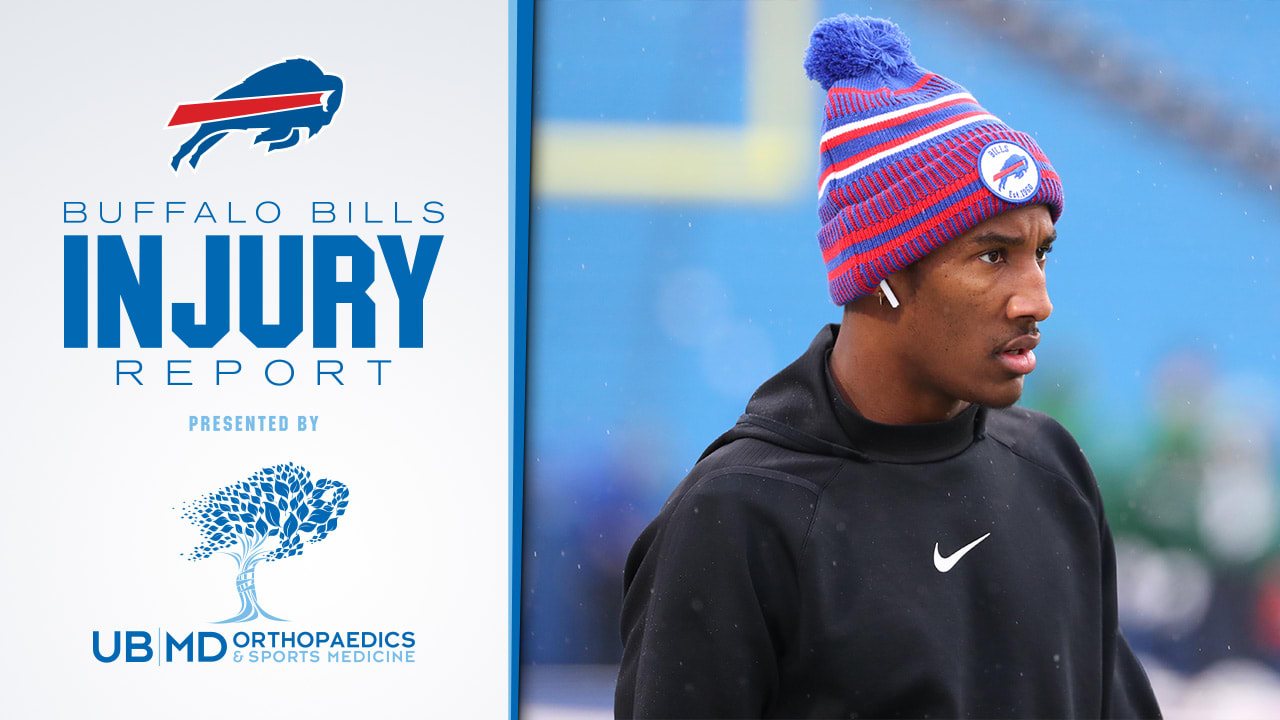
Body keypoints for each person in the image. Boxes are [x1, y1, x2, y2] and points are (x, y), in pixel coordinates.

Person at [614, 14, 1163, 720]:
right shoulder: (737, 516)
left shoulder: (1051, 466)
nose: (1037, 300)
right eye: (993, 255)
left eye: (1042, 253)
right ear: (882, 276)